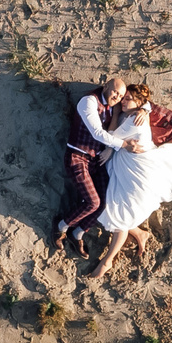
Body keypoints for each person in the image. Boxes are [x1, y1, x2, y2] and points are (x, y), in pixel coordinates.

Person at [89, 83, 172, 281]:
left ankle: (107, 261)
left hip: (137, 171)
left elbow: (110, 138)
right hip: (126, 166)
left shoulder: (135, 121)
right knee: (113, 209)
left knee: (119, 214)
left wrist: (117, 114)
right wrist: (140, 109)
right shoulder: (133, 113)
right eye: (124, 98)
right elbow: (140, 109)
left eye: (128, 99)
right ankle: (138, 233)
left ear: (139, 103)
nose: (123, 101)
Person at [52, 75, 131, 251]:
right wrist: (123, 145)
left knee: (104, 201)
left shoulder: (114, 107)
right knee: (93, 202)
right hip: (77, 157)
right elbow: (97, 133)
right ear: (106, 86)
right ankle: (60, 226)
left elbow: (140, 103)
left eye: (120, 95)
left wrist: (144, 110)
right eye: (115, 92)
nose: (117, 97)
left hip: (96, 160)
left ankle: (77, 233)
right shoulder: (89, 101)